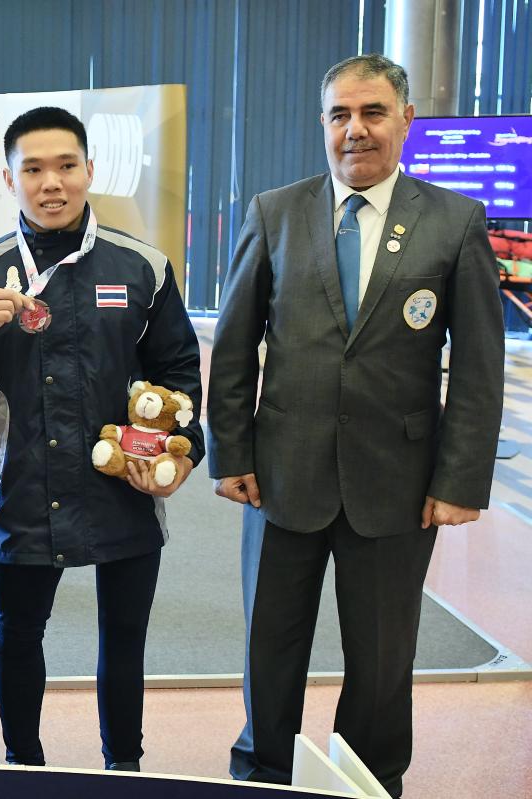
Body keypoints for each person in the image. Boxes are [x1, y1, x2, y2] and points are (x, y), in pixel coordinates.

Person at [206, 54, 504, 798]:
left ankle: (370, 781)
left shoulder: (455, 222)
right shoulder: (275, 212)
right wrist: (228, 452)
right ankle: (265, 773)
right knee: (268, 646)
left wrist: (459, 480)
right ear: (323, 123)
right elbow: (236, 346)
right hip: (282, 473)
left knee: (381, 656)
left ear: (406, 120)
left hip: (398, 484)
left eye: (372, 112)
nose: (355, 129)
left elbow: (477, 367)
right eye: (339, 113)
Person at [0, 107, 204, 770]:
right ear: (9, 178)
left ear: (89, 171)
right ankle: (25, 764)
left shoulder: (142, 266)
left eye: (66, 166)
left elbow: (179, 372)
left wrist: (181, 446)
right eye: (34, 169)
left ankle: (124, 768)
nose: (52, 182)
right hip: (20, 486)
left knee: (124, 637)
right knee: (19, 633)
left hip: (123, 486)